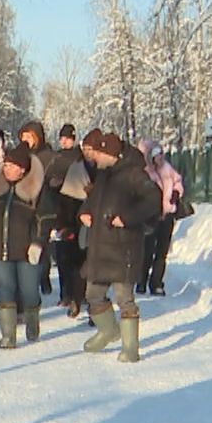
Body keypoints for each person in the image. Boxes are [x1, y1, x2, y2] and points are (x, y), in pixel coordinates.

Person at [78, 130, 163, 362]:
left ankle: (130, 347)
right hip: (100, 247)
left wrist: (127, 217)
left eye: (99, 153)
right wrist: (84, 213)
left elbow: (154, 199)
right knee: (93, 294)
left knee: (125, 298)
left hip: (123, 247)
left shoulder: (134, 174)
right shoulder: (104, 175)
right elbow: (91, 201)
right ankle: (108, 330)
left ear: (111, 154)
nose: (95, 157)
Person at [0, 142, 55, 348]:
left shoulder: (36, 190)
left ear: (22, 169)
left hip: (26, 251)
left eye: (11, 166)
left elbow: (45, 219)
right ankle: (8, 336)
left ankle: (32, 321)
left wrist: (38, 243)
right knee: (4, 291)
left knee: (29, 291)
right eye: (6, 165)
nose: (7, 169)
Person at [43, 123, 92, 316]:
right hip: (60, 210)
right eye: (62, 138)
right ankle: (66, 293)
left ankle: (81, 293)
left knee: (80, 254)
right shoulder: (56, 158)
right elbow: (46, 181)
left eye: (68, 138)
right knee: (63, 255)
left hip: (80, 210)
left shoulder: (79, 159)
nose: (64, 141)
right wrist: (53, 185)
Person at [138, 139, 184, 296]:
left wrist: (177, 193)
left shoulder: (167, 169)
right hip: (151, 216)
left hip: (167, 215)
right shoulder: (145, 172)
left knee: (162, 251)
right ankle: (142, 280)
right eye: (156, 155)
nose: (160, 158)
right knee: (147, 251)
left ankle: (157, 282)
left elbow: (177, 181)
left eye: (161, 154)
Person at [18, 121, 58, 295]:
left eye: (29, 136)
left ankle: (43, 275)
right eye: (23, 136)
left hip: (44, 202)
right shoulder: (20, 155)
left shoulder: (48, 156)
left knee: (40, 239)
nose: (26, 140)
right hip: (23, 203)